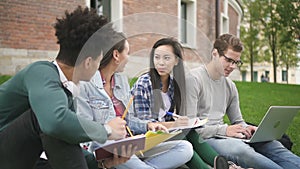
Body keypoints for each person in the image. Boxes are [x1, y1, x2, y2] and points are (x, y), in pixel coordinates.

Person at [0, 6, 135, 169]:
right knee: (47, 118)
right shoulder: (41, 73)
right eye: (99, 61)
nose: (98, 66)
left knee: (60, 125)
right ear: (88, 62)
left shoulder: (64, 89)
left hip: (30, 157)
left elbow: (66, 139)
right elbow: (54, 123)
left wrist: (102, 162)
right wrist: (105, 130)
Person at [76, 33, 194, 169]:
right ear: (116, 55)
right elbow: (85, 130)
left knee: (184, 148)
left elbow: (130, 119)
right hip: (106, 147)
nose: (129, 58)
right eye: (128, 53)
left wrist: (148, 126)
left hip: (129, 144)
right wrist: (108, 130)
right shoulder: (87, 83)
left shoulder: (121, 80)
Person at [185, 33, 300, 169]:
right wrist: (225, 130)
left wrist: (248, 129)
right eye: (228, 60)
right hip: (204, 140)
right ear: (215, 54)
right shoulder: (193, 79)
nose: (232, 66)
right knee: (242, 151)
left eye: (236, 62)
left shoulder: (230, 86)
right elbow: (190, 129)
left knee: (273, 145)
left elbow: (238, 121)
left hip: (225, 135)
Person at [131, 37, 231, 169]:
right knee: (180, 136)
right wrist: (174, 124)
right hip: (145, 140)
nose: (161, 63)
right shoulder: (144, 84)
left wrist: (182, 122)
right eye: (157, 57)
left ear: (176, 61)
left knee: (188, 131)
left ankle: (223, 165)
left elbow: (168, 117)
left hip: (163, 135)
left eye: (166, 58)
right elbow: (145, 125)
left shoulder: (173, 84)